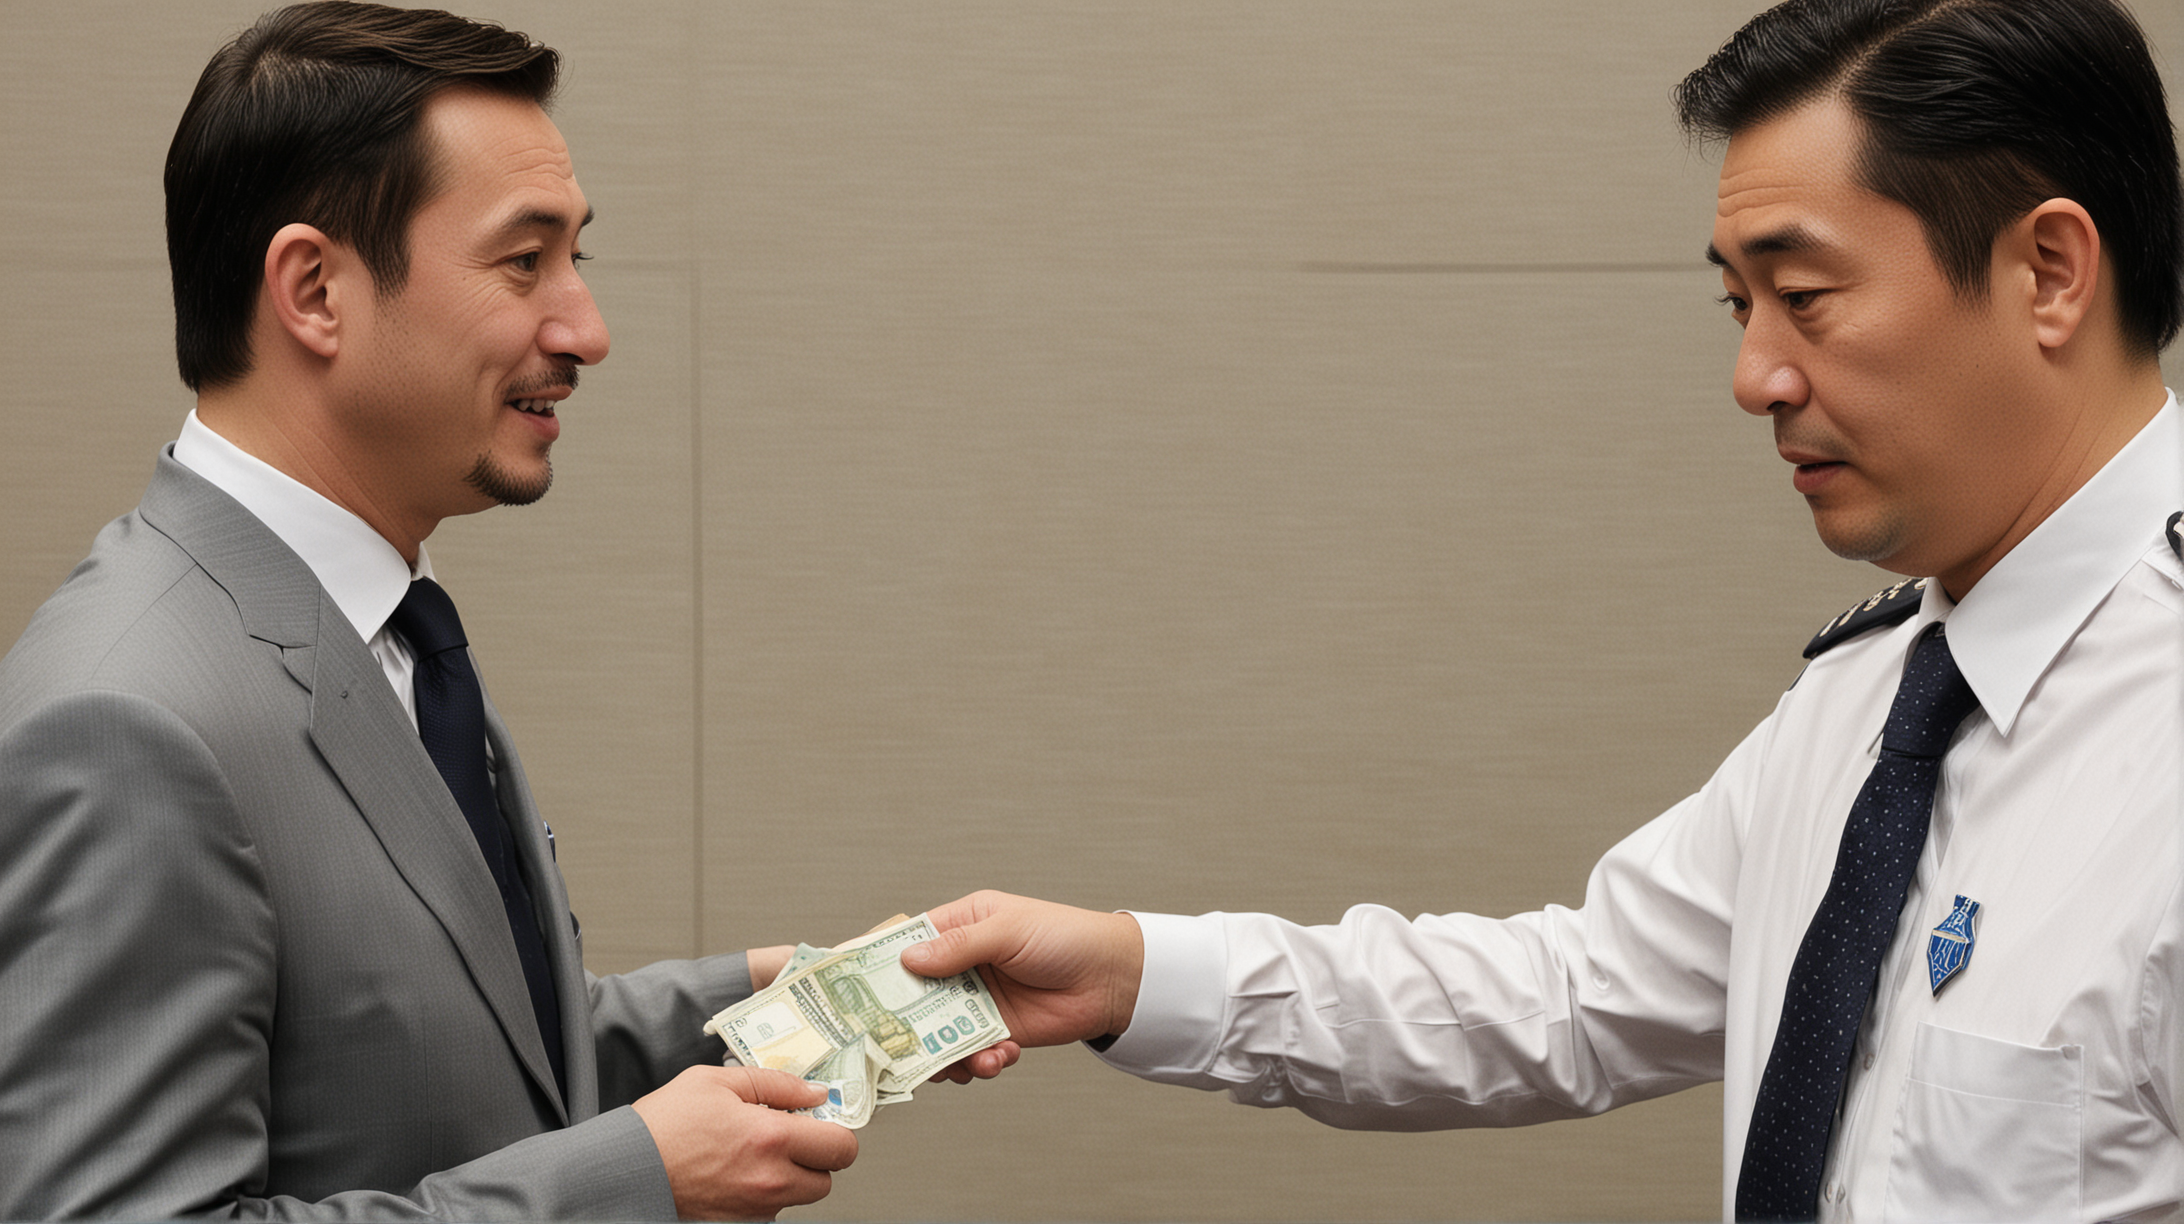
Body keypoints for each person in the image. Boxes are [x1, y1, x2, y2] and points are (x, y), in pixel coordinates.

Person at [905, 0, 2184, 1218]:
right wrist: (1135, 974)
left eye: (1803, 298)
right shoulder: (1877, 701)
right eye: (1739, 307)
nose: (1755, 377)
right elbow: (1572, 995)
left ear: (2051, 273)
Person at [0, 3, 858, 1218]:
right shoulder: (126, 724)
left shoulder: (383, 623)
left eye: (578, 258)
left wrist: (802, 994)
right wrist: (630, 1182)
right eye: (524, 261)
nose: (587, 330)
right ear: (313, 290)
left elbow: (458, 1054)